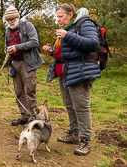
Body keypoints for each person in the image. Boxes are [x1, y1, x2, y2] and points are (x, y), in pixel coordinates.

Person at [42, 4, 101, 156]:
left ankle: (85, 140)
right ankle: (74, 133)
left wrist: (67, 36)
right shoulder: (69, 29)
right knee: (69, 105)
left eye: (61, 16)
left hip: (80, 72)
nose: (58, 19)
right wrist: (51, 53)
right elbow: (66, 53)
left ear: (71, 15)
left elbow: (93, 44)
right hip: (65, 73)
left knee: (81, 107)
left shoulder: (85, 24)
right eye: (57, 17)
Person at [4, 6, 45, 126]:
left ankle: (33, 119)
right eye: (8, 20)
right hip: (14, 64)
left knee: (30, 92)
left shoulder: (28, 26)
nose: (10, 22)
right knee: (19, 92)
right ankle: (24, 116)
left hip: (28, 63)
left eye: (12, 19)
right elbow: (6, 44)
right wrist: (7, 50)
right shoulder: (8, 30)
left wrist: (17, 47)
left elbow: (34, 42)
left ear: (17, 17)